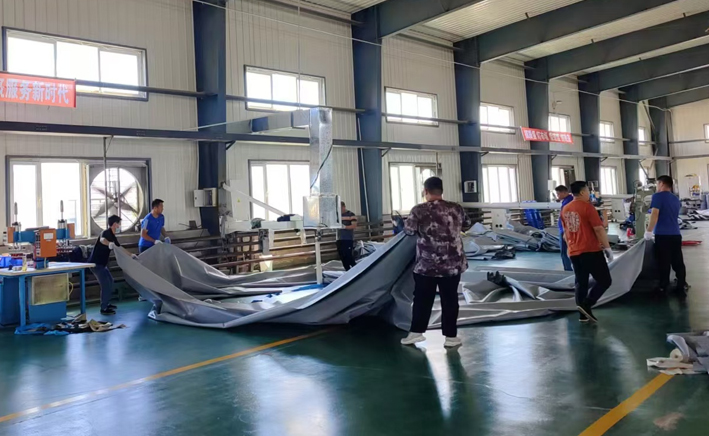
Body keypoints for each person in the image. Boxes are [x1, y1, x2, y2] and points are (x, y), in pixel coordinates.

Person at [400, 177, 472, 348]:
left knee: (422, 299)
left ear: (425, 191)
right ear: (441, 190)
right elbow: (467, 224)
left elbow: (409, 231)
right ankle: (451, 337)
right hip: (453, 264)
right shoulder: (456, 208)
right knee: (450, 299)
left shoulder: (419, 210)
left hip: (427, 265)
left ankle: (416, 333)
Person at [561, 181, 613, 324]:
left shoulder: (565, 209)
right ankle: (587, 304)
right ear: (583, 192)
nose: (589, 194)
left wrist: (569, 248)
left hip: (574, 251)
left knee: (581, 282)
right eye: (588, 191)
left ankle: (583, 315)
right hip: (590, 250)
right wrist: (607, 248)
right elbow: (599, 229)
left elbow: (565, 233)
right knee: (605, 280)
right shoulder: (587, 207)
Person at [645, 175, 688, 295]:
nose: (657, 186)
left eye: (657, 184)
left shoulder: (657, 196)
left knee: (663, 262)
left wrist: (649, 231)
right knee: (678, 261)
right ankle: (681, 285)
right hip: (676, 234)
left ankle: (663, 286)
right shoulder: (675, 199)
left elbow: (655, 214)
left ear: (662, 184)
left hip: (663, 235)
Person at [88, 215, 122, 315]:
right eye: (119, 224)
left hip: (102, 265)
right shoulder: (106, 232)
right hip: (96, 264)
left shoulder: (113, 236)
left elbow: (120, 248)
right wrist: (109, 244)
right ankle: (104, 308)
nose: (120, 226)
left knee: (110, 281)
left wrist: (131, 255)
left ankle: (107, 303)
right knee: (105, 285)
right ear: (114, 224)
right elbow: (102, 240)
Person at [555, 185, 574, 272]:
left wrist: (564, 231)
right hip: (565, 229)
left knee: (564, 251)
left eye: (558, 194)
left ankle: (568, 269)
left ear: (564, 192)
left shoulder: (568, 202)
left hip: (565, 229)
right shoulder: (568, 200)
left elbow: (566, 217)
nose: (558, 196)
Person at [337, 202, 358, 271]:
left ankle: (356, 269)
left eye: (340, 208)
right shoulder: (337, 215)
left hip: (348, 239)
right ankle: (347, 269)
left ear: (344, 207)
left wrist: (345, 227)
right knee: (342, 256)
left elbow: (354, 226)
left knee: (348, 256)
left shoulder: (351, 215)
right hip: (339, 238)